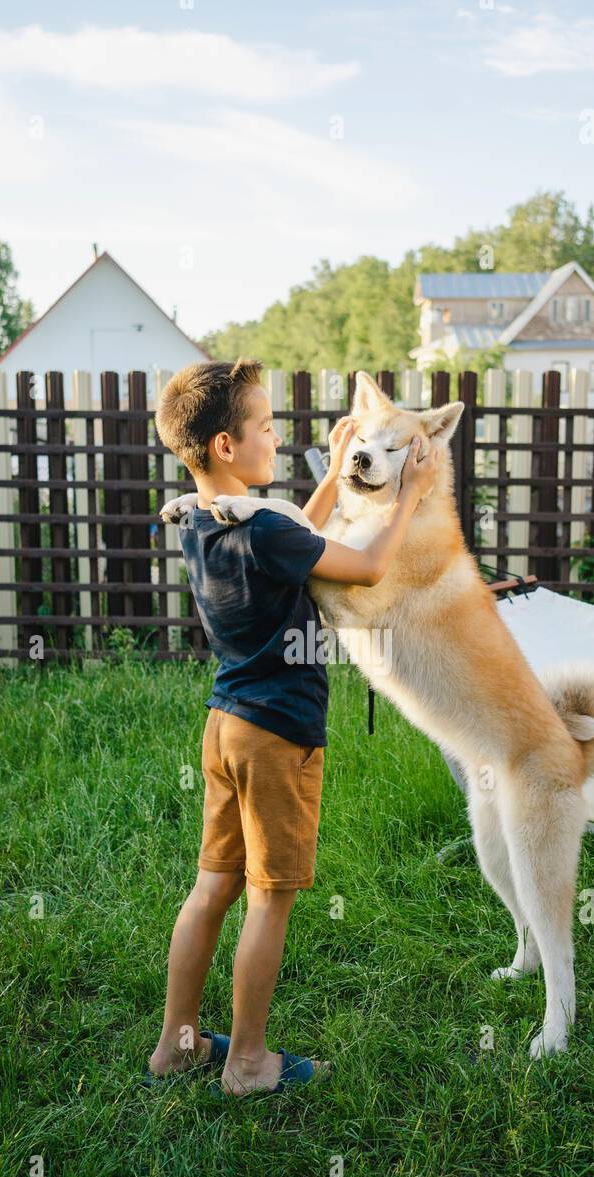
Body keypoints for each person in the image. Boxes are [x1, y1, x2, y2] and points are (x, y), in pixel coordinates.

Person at [148, 357, 437, 1096]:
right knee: (270, 895)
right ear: (225, 446)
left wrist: (338, 470)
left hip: (225, 727)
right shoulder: (266, 533)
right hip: (278, 735)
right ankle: (247, 1063)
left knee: (211, 885)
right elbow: (367, 567)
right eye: (266, 427)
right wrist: (407, 492)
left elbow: (294, 532)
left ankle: (178, 1045)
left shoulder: (201, 520)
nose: (276, 438)